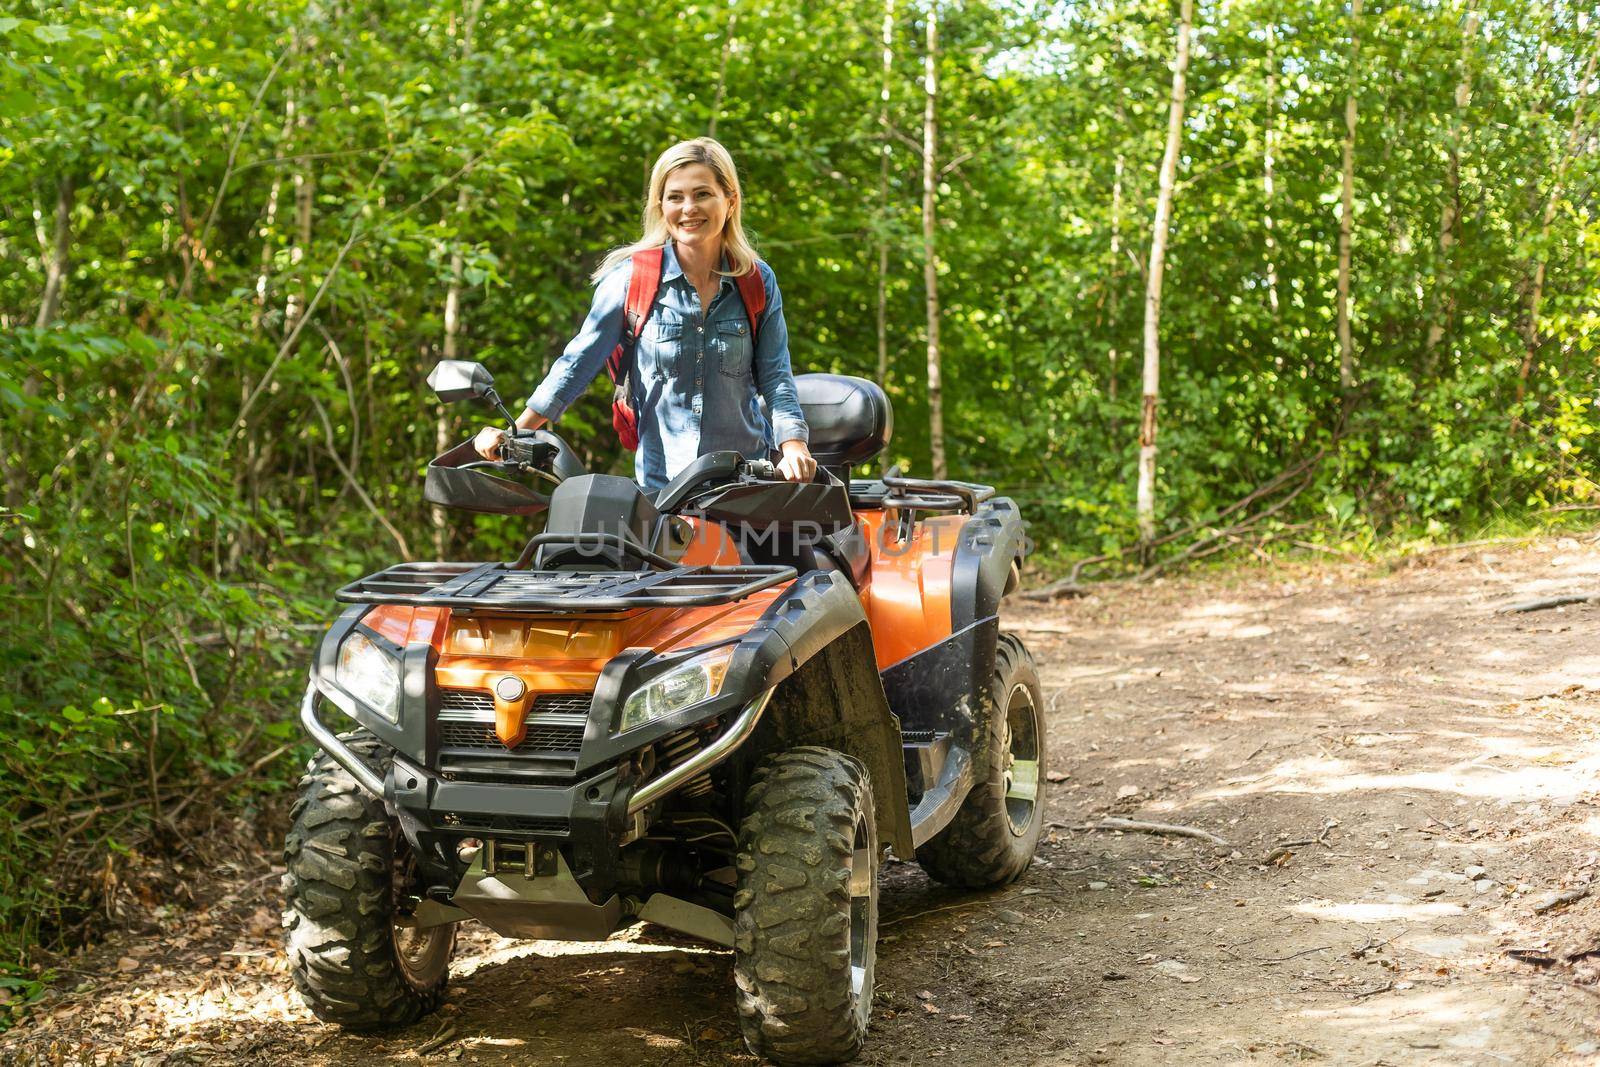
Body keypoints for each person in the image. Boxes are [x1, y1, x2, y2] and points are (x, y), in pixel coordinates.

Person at [473, 138, 816, 490]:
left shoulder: (756, 281)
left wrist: (793, 446)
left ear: (729, 202)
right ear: (660, 205)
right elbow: (577, 363)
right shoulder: (631, 279)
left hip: (744, 482)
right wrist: (516, 431)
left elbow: (776, 376)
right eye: (675, 197)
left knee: (783, 546)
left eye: (702, 194)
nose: (688, 208)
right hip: (663, 488)